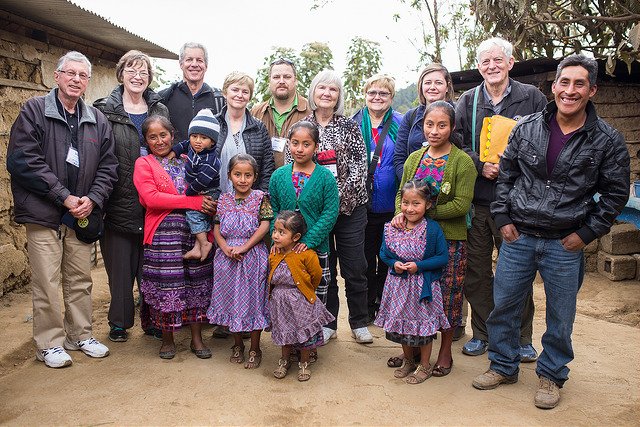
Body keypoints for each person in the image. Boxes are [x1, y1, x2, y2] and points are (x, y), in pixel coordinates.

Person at [472, 54, 630, 409]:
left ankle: (551, 374)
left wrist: (587, 233)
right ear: (553, 86)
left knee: (560, 314)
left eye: (579, 84)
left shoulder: (607, 140)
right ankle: (502, 365)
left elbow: (617, 193)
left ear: (593, 90)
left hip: (565, 241)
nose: (569, 91)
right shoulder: (526, 127)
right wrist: (503, 219)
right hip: (519, 236)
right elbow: (506, 176)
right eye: (564, 82)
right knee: (505, 306)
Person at [6, 51, 117, 368]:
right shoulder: (34, 111)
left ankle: (79, 335)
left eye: (83, 76)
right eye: (70, 73)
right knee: (48, 283)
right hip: (43, 214)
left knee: (80, 279)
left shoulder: (97, 120)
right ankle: (49, 343)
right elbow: (23, 161)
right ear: (57, 76)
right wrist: (64, 196)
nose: (76, 80)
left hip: (80, 214)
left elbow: (108, 167)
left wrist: (92, 199)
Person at [455, 37, 548, 360]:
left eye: (498, 60)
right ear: (479, 67)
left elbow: (545, 140)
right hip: (479, 201)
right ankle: (482, 334)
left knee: (517, 272)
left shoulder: (532, 98)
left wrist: (511, 165)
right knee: (478, 272)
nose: (492, 67)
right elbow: (456, 145)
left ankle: (521, 337)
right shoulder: (468, 101)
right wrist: (480, 166)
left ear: (511, 63)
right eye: (485, 62)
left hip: (517, 203)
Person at [392, 101, 477, 376]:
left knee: (448, 295)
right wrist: (400, 215)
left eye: (442, 125)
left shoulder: (462, 162)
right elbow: (401, 194)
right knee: (416, 295)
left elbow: (461, 205)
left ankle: (444, 352)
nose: (435, 131)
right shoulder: (414, 158)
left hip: (448, 241)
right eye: (430, 124)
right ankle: (414, 350)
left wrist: (423, 216)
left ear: (452, 127)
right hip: (412, 242)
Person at [94, 49, 169, 343]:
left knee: (150, 267)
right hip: (118, 198)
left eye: (144, 72)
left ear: (149, 78)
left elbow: (166, 148)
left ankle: (151, 319)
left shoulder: (158, 109)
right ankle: (119, 322)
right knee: (120, 268)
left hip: (154, 202)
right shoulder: (104, 110)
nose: (138, 77)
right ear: (121, 74)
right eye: (132, 71)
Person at [292, 70, 372, 344]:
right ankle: (328, 323)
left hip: (349, 210)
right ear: (313, 92)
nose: (327, 93)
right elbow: (295, 167)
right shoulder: (302, 126)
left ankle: (359, 321)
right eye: (322, 88)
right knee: (324, 269)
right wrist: (320, 206)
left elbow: (360, 169)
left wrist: (334, 202)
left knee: (355, 267)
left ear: (338, 96)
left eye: (333, 90)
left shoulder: (349, 126)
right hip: (313, 214)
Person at [133, 115, 217, 360]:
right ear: (146, 140)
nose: (159, 141)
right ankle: (167, 338)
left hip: (195, 231)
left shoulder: (189, 158)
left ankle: (196, 338)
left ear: (172, 135)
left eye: (163, 135)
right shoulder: (144, 164)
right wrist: (194, 202)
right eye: (152, 137)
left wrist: (209, 204)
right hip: (162, 234)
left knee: (197, 283)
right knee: (166, 284)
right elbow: (151, 199)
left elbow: (207, 187)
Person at [269, 121, 340, 359]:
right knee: (288, 299)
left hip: (314, 249)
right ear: (289, 144)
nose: (300, 148)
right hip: (284, 253)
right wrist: (279, 240)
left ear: (316, 146)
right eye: (295, 143)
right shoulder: (279, 176)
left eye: (306, 144)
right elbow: (274, 211)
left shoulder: (325, 178)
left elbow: (330, 213)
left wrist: (307, 241)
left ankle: (309, 346)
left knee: (311, 296)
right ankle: (289, 344)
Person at [375, 179, 450, 384]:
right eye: (406, 203)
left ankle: (424, 364)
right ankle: (408, 360)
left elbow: (442, 258)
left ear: (428, 204)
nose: (410, 208)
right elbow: (384, 253)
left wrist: (420, 266)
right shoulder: (392, 227)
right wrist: (394, 263)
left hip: (421, 287)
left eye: (416, 203)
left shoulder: (432, 229)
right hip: (398, 286)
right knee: (402, 327)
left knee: (423, 328)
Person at [207, 154, 272, 369]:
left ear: (255, 177)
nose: (242, 180)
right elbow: (216, 227)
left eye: (247, 175)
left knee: (253, 301)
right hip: (227, 259)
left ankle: (255, 347)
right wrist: (225, 248)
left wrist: (244, 247)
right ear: (229, 176)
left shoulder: (261, 198)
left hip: (252, 256)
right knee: (231, 301)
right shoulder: (223, 200)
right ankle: (237, 345)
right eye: (237, 174)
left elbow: (264, 226)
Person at [352, 74, 403, 324]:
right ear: (365, 95)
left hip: (391, 205)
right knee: (364, 258)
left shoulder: (402, 124)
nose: (377, 97)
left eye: (383, 93)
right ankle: (367, 304)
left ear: (391, 97)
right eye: (372, 92)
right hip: (361, 206)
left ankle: (384, 302)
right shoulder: (353, 123)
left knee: (387, 258)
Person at [269, 211, 335, 382]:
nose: (275, 235)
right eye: (275, 231)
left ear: (296, 237)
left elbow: (316, 275)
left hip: (301, 302)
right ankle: (284, 360)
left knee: (304, 333)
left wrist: (305, 291)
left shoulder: (306, 254)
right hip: (280, 301)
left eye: (281, 232)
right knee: (284, 332)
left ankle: (304, 362)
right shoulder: (274, 252)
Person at [172, 109, 222, 261]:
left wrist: (189, 194)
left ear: (212, 141)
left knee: (193, 214)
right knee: (199, 218)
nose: (197, 141)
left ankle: (205, 243)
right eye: (194, 136)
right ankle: (197, 247)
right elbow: (183, 145)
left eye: (203, 138)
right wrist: (173, 153)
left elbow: (202, 180)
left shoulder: (212, 160)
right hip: (198, 188)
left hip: (208, 190)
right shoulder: (192, 146)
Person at [393, 63, 455, 181]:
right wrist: (411, 185)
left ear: (447, 87)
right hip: (413, 188)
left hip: (448, 187)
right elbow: (399, 158)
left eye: (438, 82)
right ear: (421, 86)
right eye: (427, 83)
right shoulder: (411, 117)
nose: (432, 87)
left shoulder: (458, 113)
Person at [215, 72, 275, 194]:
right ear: (225, 93)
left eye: (245, 92)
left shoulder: (259, 128)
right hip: (216, 200)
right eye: (235, 90)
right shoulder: (213, 124)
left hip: (250, 203)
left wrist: (260, 197)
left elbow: (267, 167)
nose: (240, 95)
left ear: (250, 96)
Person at [159, 42, 225, 143]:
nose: (194, 64)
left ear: (206, 66)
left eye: (199, 60)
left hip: (209, 158)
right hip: (173, 158)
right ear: (181, 64)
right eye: (189, 60)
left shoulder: (219, 99)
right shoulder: (164, 97)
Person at [251, 58, 311, 168]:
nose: (281, 81)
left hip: (300, 182)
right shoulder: (256, 112)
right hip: (263, 183)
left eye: (287, 77)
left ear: (295, 80)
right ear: (269, 81)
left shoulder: (310, 111)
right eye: (276, 77)